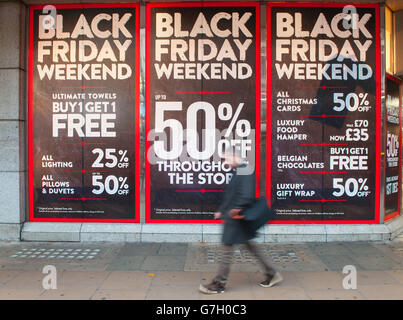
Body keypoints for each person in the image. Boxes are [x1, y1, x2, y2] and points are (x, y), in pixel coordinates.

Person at [199, 150, 283, 294]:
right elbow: (231, 194)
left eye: (226, 159)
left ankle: (219, 283)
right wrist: (221, 210)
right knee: (250, 247)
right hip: (235, 215)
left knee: (227, 248)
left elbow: (246, 194)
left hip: (236, 216)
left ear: (234, 156)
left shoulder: (245, 170)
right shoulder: (238, 170)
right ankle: (272, 273)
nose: (225, 163)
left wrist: (235, 209)